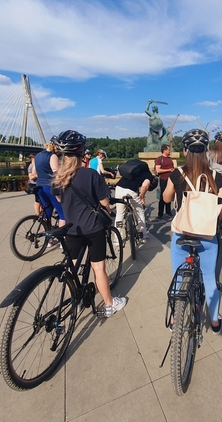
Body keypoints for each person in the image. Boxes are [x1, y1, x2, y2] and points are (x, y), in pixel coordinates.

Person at [51, 130, 127, 317]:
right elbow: (104, 201)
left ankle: (74, 301)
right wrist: (107, 208)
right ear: (81, 153)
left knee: (72, 268)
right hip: (93, 228)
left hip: (72, 228)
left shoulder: (58, 176)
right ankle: (109, 304)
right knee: (98, 268)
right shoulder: (90, 175)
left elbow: (60, 200)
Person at [163, 129, 222, 333]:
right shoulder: (216, 176)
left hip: (182, 233)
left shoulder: (177, 174)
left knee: (178, 276)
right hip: (207, 236)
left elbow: (166, 198)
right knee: (208, 277)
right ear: (207, 150)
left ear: (185, 151)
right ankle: (215, 321)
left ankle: (175, 317)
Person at [114, 161, 155, 244]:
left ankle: (117, 239)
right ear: (153, 182)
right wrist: (142, 198)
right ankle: (143, 236)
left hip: (119, 188)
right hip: (130, 191)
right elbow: (145, 185)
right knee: (139, 212)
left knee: (120, 214)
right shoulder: (149, 176)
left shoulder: (135, 171)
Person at [32, 139, 66, 227]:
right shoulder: (52, 156)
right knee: (63, 214)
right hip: (50, 187)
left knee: (47, 213)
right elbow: (56, 172)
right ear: (55, 147)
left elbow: (34, 173)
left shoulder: (38, 156)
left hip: (39, 186)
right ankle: (63, 234)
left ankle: (47, 234)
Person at [155, 144, 175, 219]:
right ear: (164, 150)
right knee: (163, 196)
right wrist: (168, 170)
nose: (170, 151)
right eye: (169, 149)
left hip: (170, 179)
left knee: (169, 194)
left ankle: (168, 211)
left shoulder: (170, 159)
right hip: (163, 179)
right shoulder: (159, 159)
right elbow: (158, 170)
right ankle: (160, 214)